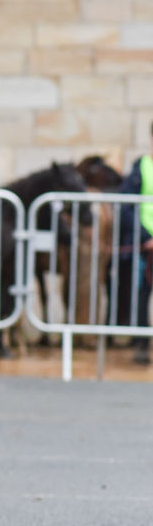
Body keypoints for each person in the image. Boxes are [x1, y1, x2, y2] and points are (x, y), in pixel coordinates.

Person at [114, 122, 153, 364]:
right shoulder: (141, 167)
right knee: (142, 293)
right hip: (145, 244)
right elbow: (126, 205)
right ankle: (141, 344)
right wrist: (145, 237)